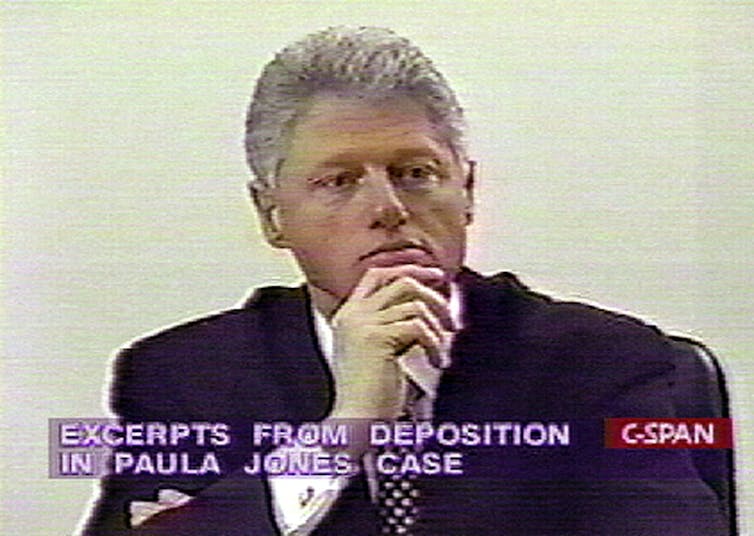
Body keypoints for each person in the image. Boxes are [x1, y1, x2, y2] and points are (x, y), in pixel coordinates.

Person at [83, 26, 733, 535]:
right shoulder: (181, 377)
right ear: (271, 215)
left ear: (467, 190)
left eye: (415, 173)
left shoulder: (608, 362)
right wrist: (342, 434)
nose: (388, 207)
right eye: (338, 181)